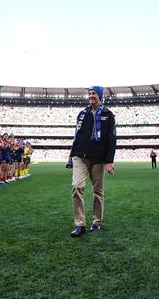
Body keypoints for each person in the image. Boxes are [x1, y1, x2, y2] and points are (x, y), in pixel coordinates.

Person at [68, 86, 116, 237]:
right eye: (89, 93)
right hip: (79, 156)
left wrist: (109, 161)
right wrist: (71, 155)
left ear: (100, 95)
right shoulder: (82, 114)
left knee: (98, 191)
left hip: (98, 158)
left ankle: (97, 222)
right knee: (77, 186)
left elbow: (112, 139)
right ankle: (79, 224)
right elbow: (77, 135)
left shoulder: (108, 114)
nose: (91, 96)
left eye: (94, 93)